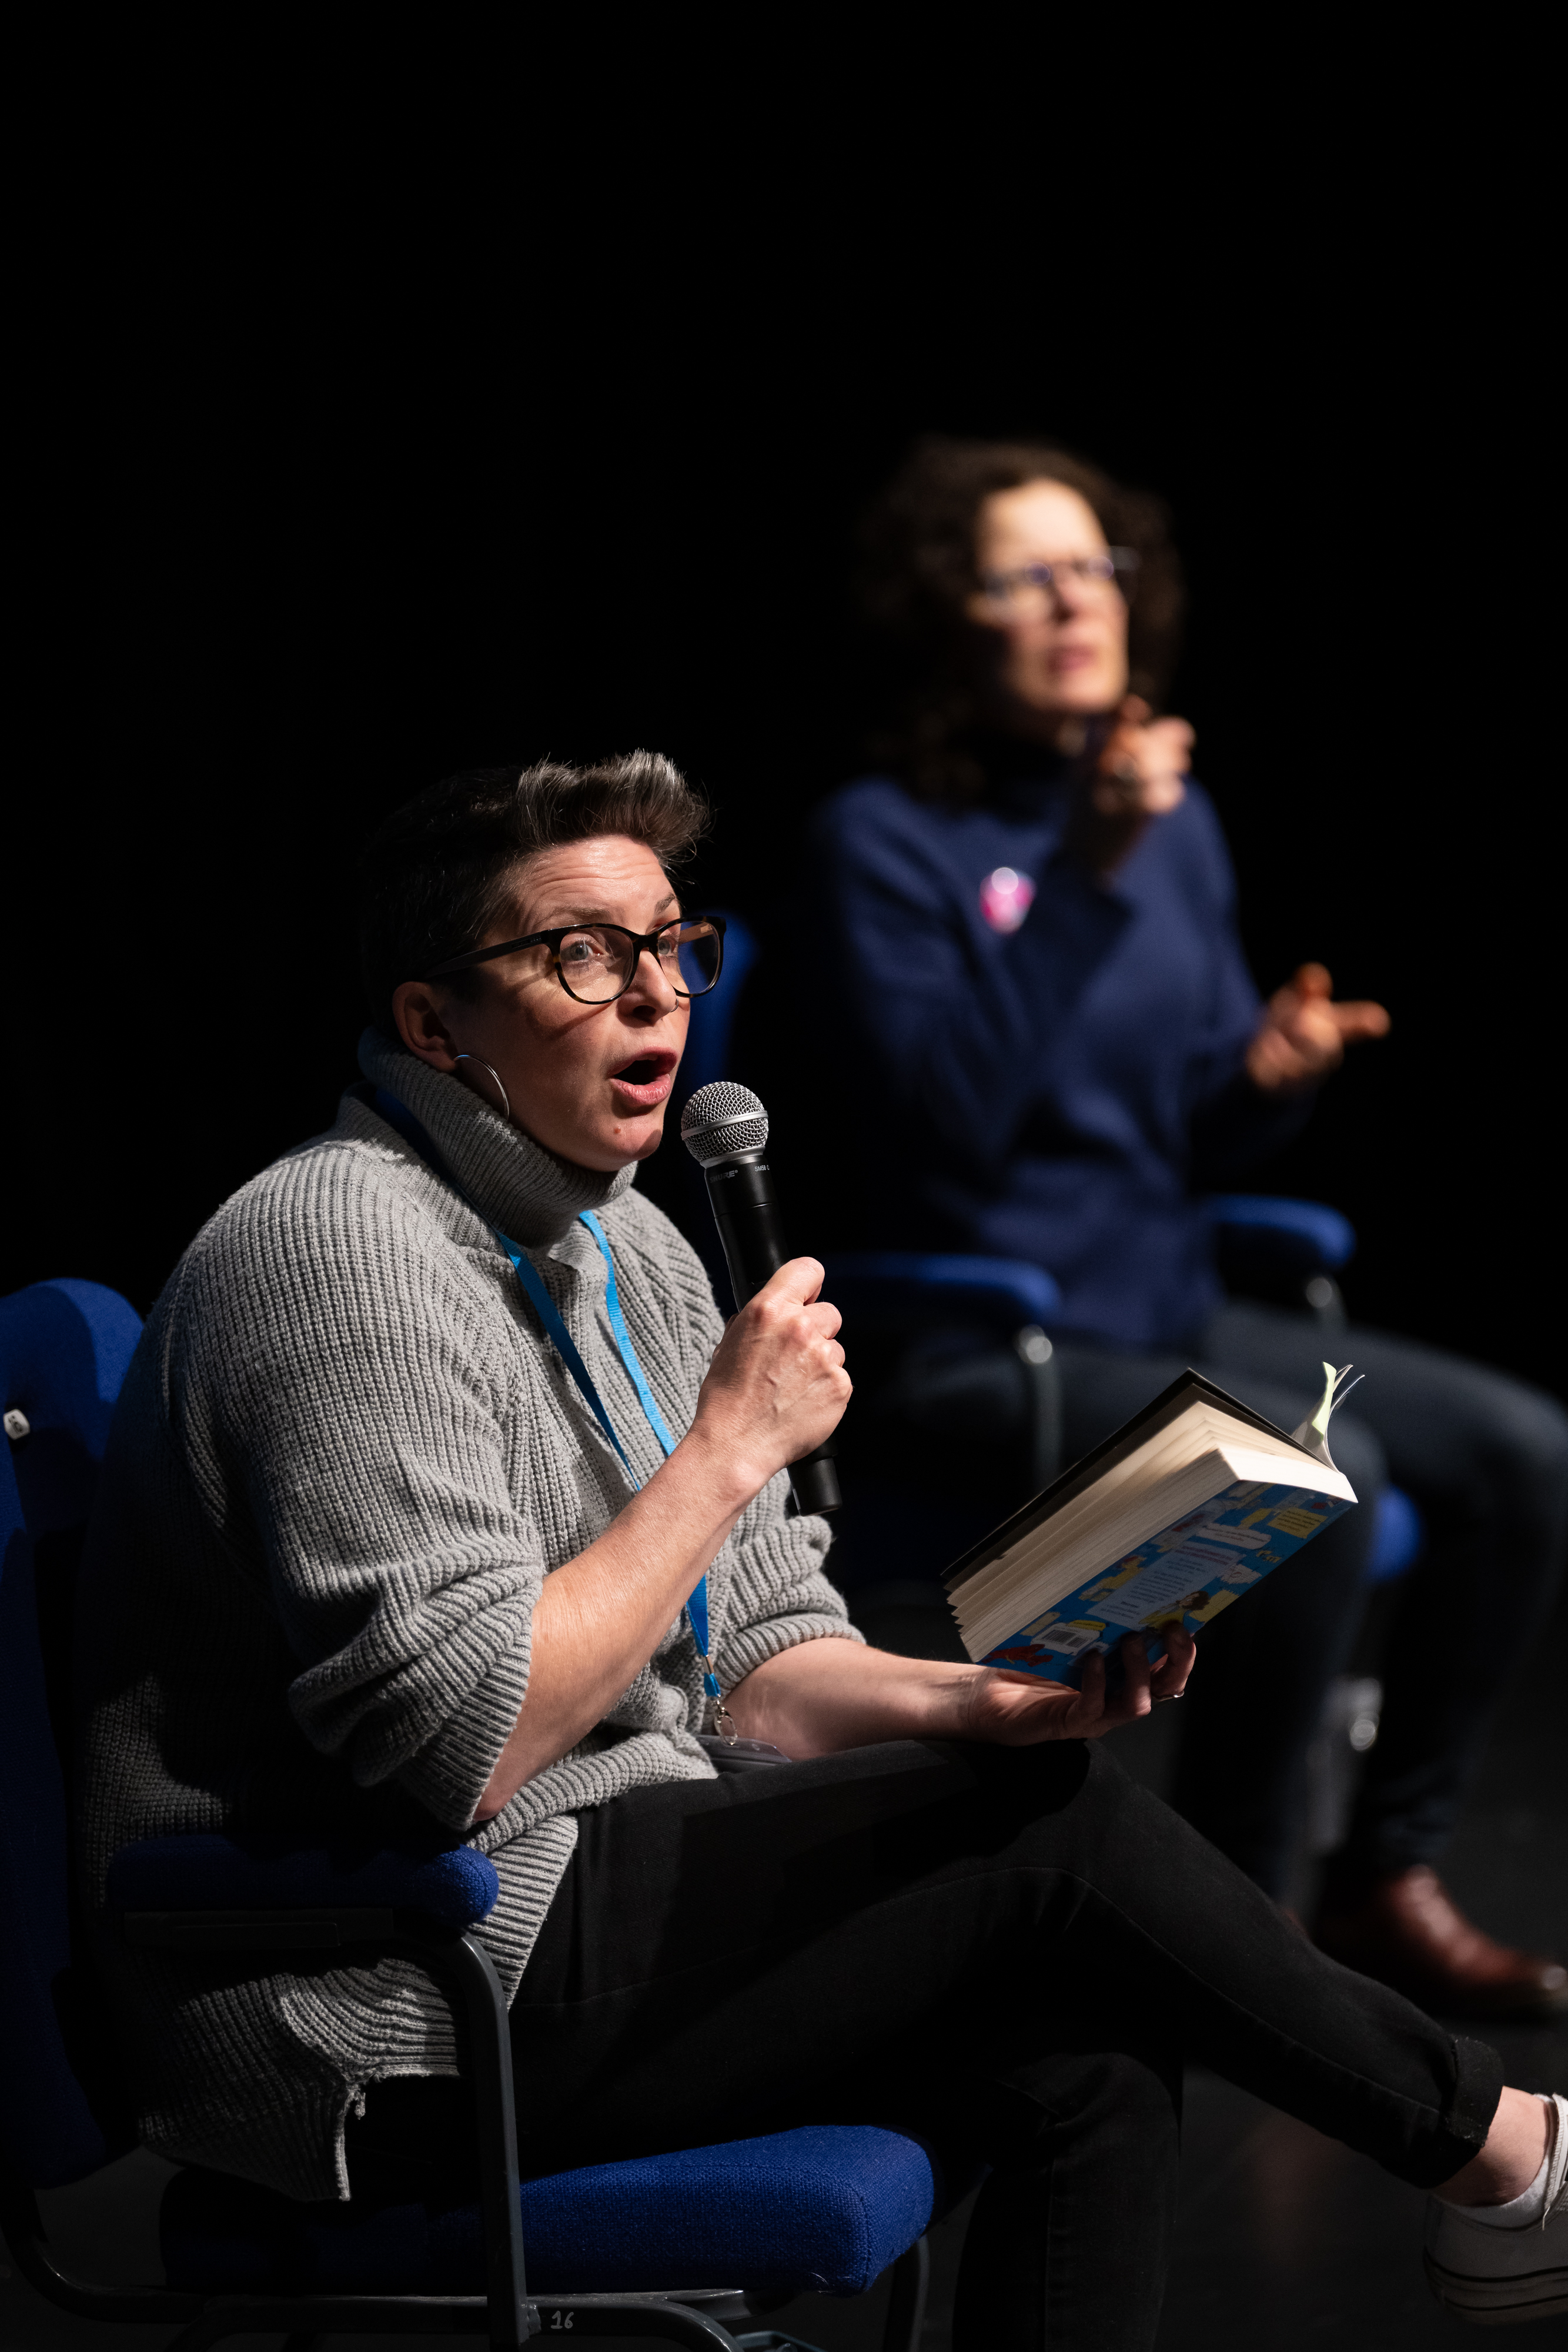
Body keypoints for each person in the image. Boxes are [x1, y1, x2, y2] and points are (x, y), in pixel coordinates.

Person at [75, 757, 1566, 2343]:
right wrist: (726, 1449)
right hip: (381, 2006)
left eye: (669, 945)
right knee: (1047, 1840)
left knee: (1081, 2054)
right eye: (583, 955)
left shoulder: (623, 1234)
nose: (656, 996)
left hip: (586, 1907)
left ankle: (1502, 2179)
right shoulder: (340, 1255)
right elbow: (471, 1741)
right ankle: (1505, 2157)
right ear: (439, 1025)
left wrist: (972, 1705)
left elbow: (758, 1663)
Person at [767, 437, 1568, 2017]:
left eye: (1097, 568)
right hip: (980, 1338)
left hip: (1164, 1304)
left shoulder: (1163, 824)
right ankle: (1230, 1939)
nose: (1079, 603)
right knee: (1322, 1468)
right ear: (948, 618)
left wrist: (1263, 1076)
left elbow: (1181, 1118)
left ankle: (1375, 1877)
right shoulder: (879, 845)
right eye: (1027, 577)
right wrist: (1082, 875)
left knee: (1524, 1449)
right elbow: (943, 1119)